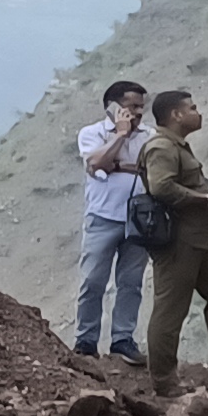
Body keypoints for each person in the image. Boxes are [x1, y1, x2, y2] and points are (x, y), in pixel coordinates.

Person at [134, 88, 208, 395]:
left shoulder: (175, 146)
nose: (199, 113)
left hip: (194, 238)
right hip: (178, 240)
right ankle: (164, 381)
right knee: (171, 309)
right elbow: (161, 188)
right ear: (176, 115)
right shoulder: (161, 147)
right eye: (192, 108)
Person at [70, 79, 150, 362]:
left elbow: (149, 169)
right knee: (93, 281)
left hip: (139, 219)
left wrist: (119, 166)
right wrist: (119, 136)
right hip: (103, 217)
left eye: (141, 107)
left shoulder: (149, 137)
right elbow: (96, 164)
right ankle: (86, 340)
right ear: (113, 107)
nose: (138, 112)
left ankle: (123, 339)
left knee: (130, 282)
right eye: (132, 106)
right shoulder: (91, 133)